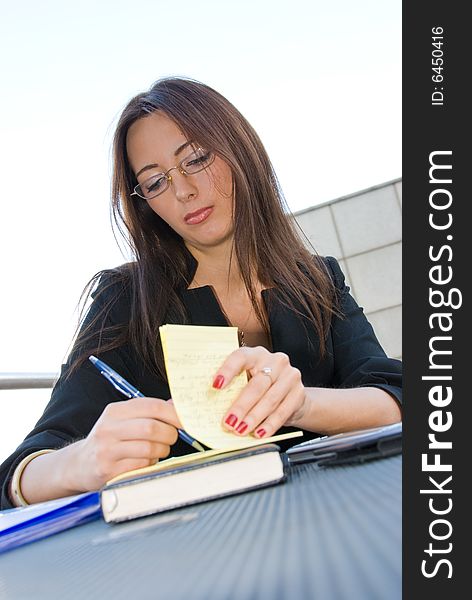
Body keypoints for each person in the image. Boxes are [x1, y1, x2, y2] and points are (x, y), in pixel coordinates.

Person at [0, 77, 402, 510]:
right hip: (198, 551)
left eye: (195, 159)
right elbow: (23, 469)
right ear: (145, 204)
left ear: (237, 149)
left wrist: (300, 404)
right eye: (155, 183)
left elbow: (394, 399)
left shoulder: (317, 279)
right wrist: (75, 464)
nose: (183, 191)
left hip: (341, 518)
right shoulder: (125, 300)